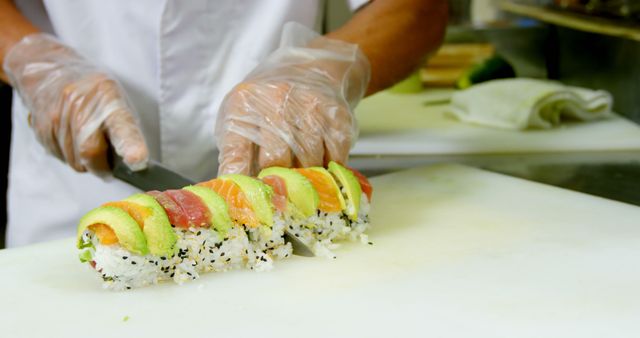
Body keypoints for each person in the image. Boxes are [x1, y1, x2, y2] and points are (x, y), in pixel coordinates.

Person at [0, 0, 447, 247]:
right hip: (72, 190)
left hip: (277, 181)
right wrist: (33, 60)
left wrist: (322, 68)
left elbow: (416, 10)